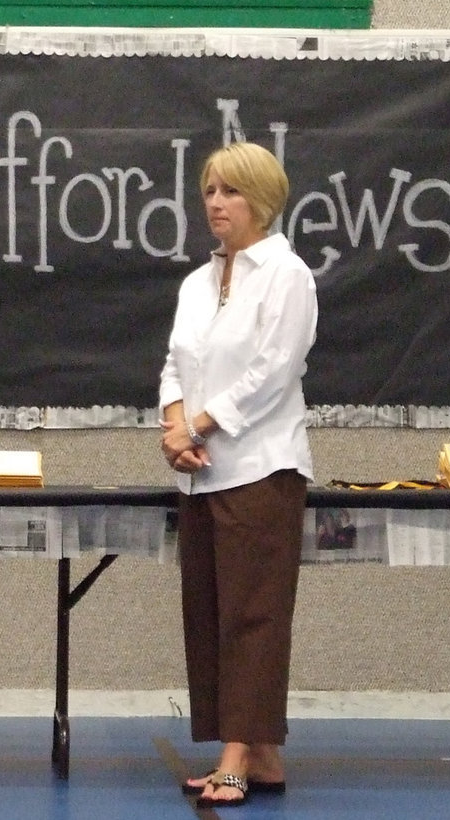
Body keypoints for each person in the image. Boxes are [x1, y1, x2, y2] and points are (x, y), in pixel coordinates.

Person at [158, 141, 317, 808]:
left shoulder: (287, 274)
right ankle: (264, 753)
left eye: (230, 192)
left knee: (253, 618)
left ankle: (234, 759)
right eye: (209, 191)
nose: (216, 204)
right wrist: (174, 429)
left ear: (263, 200)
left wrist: (197, 426)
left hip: (261, 469)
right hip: (201, 472)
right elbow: (175, 364)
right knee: (210, 616)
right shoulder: (198, 282)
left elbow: (271, 372)